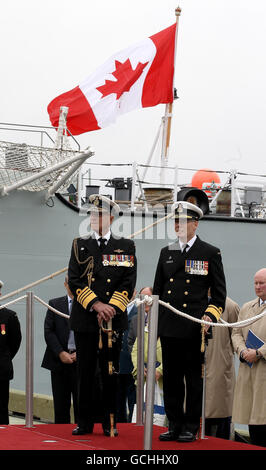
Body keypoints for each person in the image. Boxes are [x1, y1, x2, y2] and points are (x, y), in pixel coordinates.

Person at [153, 200, 226, 442]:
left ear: (195, 224)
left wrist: (209, 316)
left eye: (183, 221)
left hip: (195, 328)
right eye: (176, 221)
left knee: (193, 379)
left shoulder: (209, 252)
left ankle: (190, 425)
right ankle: (174, 423)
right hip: (170, 326)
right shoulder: (167, 252)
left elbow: (218, 294)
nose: (178, 225)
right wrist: (158, 325)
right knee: (171, 379)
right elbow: (158, 291)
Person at [68, 194, 137, 437]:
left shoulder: (126, 246)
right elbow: (74, 280)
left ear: (110, 218)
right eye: (92, 214)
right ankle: (84, 423)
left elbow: (128, 283)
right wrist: (96, 305)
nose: (94, 218)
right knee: (85, 372)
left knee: (110, 372)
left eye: (99, 214)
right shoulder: (79, 244)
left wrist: (112, 309)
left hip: (112, 321)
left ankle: (110, 422)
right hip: (86, 318)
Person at [232, 268, 266, 447]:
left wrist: (260, 352)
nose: (258, 286)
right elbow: (236, 332)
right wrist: (242, 350)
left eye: (262, 283)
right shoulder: (247, 307)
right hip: (249, 371)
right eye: (256, 283)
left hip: (263, 370)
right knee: (252, 418)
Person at [41, 276, 79, 424]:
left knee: (81, 404)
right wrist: (60, 352)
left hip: (80, 363)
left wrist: (80, 353)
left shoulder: (87, 307)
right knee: (60, 405)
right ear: (65, 284)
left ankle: (82, 432)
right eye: (70, 283)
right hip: (58, 362)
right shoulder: (54, 304)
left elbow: (93, 332)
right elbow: (48, 331)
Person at [205, 295, 240, 440]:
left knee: (222, 413)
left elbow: (237, 336)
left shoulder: (230, 307)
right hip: (198, 367)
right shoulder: (195, 300)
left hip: (220, 367)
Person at [0, 280, 22, 424]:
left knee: (1, 409)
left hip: (1, 370)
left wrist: (4, 358)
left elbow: (15, 342)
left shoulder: (9, 316)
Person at [116, 289, 137, 423]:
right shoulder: (115, 311)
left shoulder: (140, 313)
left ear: (134, 292)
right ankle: (119, 425)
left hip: (133, 365)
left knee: (133, 401)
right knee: (118, 401)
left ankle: (133, 425)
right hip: (117, 363)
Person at [127, 286, 153, 354]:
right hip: (138, 361)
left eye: (148, 297)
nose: (145, 301)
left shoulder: (161, 319)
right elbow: (130, 342)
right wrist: (136, 358)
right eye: (142, 298)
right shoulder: (135, 319)